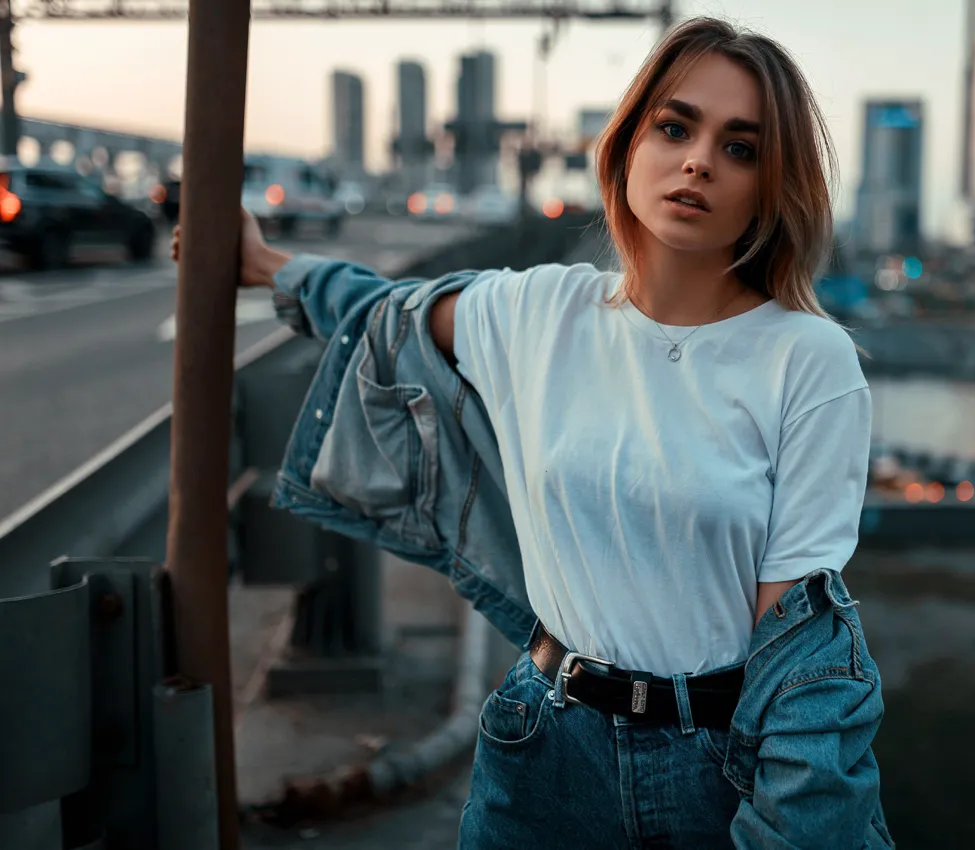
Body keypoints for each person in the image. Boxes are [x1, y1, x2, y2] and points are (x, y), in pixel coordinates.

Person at [175, 16, 890, 849]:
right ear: (627, 146)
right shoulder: (540, 312)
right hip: (541, 744)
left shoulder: (810, 362)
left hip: (718, 765)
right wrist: (270, 268)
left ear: (775, 186)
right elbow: (388, 315)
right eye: (674, 126)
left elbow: (798, 645)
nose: (697, 159)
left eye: (741, 147)